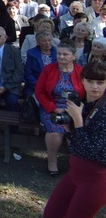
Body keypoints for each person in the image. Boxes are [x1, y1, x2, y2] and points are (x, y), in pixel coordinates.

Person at [43, 61, 106, 218]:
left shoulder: (103, 109)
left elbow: (89, 150)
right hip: (76, 170)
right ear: (82, 80)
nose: (95, 87)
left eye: (100, 82)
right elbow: (76, 142)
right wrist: (69, 127)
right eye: (90, 81)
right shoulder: (80, 102)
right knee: (51, 216)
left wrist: (78, 120)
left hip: (97, 178)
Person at [35, 40, 85, 176]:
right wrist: (53, 108)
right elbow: (39, 92)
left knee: (75, 133)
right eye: (59, 54)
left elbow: (86, 94)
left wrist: (77, 110)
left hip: (74, 108)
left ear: (73, 56)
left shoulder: (81, 71)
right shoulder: (49, 70)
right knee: (55, 132)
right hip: (52, 106)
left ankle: (75, 165)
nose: (61, 57)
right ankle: (52, 162)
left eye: (65, 54)